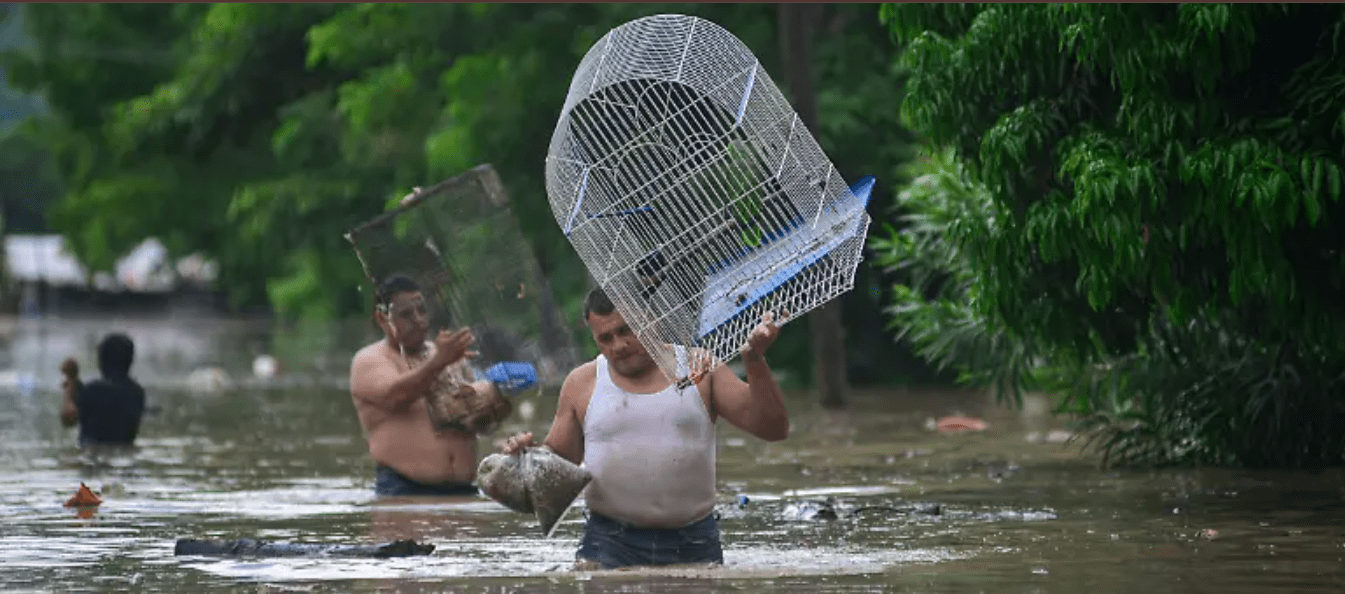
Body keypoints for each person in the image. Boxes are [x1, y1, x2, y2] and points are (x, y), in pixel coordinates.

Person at [501, 287, 790, 569]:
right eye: (605, 338)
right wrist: (526, 456)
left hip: (693, 539)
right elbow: (559, 463)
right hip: (609, 540)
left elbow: (773, 429)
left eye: (626, 331)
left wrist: (755, 362)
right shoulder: (582, 382)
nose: (618, 346)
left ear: (651, 321)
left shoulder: (699, 367)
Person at [349, 274, 501, 497]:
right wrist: (439, 362)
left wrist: (492, 401)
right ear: (382, 318)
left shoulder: (449, 355)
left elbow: (482, 426)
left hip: (464, 492)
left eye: (422, 310)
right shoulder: (370, 360)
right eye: (406, 315)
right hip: (404, 492)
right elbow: (395, 396)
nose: (419, 320)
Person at [60, 333, 147, 447]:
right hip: (127, 450)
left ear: (102, 361)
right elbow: (111, 402)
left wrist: (70, 383)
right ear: (130, 360)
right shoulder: (137, 392)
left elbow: (68, 419)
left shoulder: (92, 390)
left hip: (93, 452)